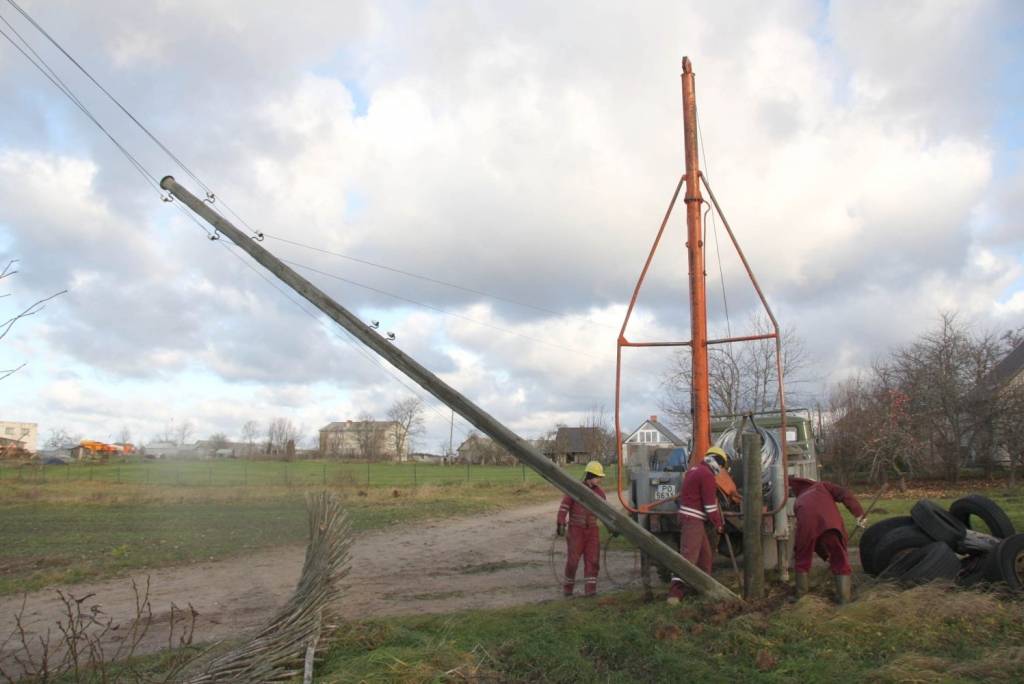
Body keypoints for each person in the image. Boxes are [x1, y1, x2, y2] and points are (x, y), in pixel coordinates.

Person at [789, 477, 866, 604]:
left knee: (802, 558)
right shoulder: (822, 486)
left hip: (806, 527)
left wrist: (825, 555)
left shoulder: (799, 501)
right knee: (840, 558)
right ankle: (844, 599)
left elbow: (815, 541)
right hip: (830, 525)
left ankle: (801, 597)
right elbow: (844, 494)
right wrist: (859, 514)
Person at [667, 446, 728, 604]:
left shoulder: (695, 469)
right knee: (688, 557)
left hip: (691, 518)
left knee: (705, 557)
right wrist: (719, 524)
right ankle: (675, 594)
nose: (720, 470)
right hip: (693, 520)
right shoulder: (707, 475)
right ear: (718, 462)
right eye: (722, 467)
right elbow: (710, 507)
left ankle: (703, 589)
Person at [556, 460, 607, 597]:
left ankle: (590, 591)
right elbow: (564, 506)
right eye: (597, 477)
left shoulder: (600, 493)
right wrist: (560, 522)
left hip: (592, 531)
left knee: (593, 561)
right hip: (575, 531)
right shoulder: (575, 489)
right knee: (573, 561)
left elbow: (606, 513)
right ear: (589, 476)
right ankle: (568, 590)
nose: (599, 480)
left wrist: (611, 527)